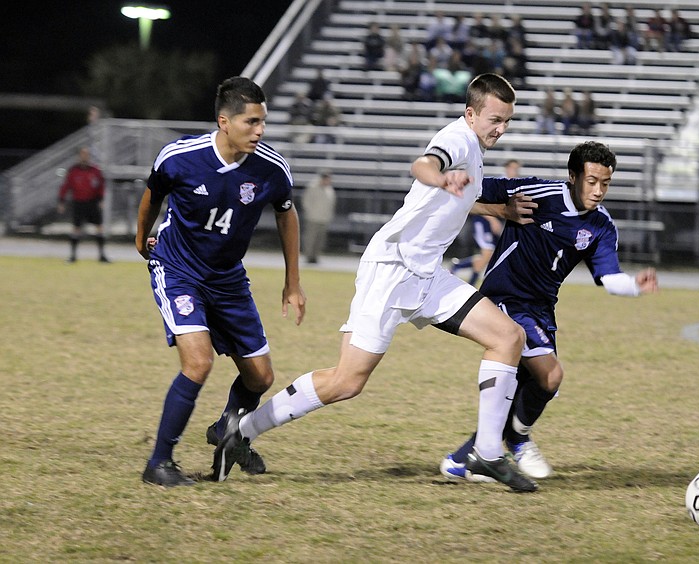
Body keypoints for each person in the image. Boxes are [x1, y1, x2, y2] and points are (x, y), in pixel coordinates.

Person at [211, 73, 538, 493]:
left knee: (508, 337)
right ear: (471, 113)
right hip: (392, 268)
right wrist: (438, 176)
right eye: (495, 119)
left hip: (427, 273)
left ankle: (487, 453)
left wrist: (498, 210)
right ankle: (241, 430)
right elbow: (424, 165)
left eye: (507, 121)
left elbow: (454, 199)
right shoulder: (457, 140)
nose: (502, 128)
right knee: (347, 381)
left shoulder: (474, 146)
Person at [440, 141, 659, 482]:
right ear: (573, 177)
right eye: (591, 181)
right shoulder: (536, 192)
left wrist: (634, 285)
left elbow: (609, 277)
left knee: (538, 384)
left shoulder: (601, 226)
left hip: (541, 308)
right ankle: (517, 439)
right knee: (550, 375)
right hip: (505, 298)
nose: (599, 190)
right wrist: (485, 201)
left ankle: (463, 458)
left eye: (605, 183)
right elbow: (474, 188)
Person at [135, 76, 306, 487]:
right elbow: (152, 194)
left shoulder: (271, 168)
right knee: (198, 363)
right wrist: (141, 239)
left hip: (228, 279)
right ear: (224, 121)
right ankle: (159, 463)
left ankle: (227, 430)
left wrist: (293, 282)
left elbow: (286, 214)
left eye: (263, 122)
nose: (260, 131)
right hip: (178, 270)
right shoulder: (180, 157)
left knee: (260, 377)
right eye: (251, 122)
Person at [451, 159, 519, 285]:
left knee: (487, 255)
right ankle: (469, 282)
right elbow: (483, 204)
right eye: (513, 168)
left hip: (489, 222)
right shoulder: (501, 183)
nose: (515, 172)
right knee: (488, 253)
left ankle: (460, 267)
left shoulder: (512, 185)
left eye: (516, 169)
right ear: (507, 168)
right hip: (482, 221)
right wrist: (493, 220)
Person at [57, 146, 109, 263]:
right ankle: (73, 256)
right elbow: (65, 186)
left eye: (86, 154)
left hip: (92, 202)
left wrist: (100, 200)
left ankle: (102, 255)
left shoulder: (95, 170)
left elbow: (100, 186)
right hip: (78, 203)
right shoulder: (73, 170)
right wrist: (61, 201)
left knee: (99, 228)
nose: (84, 157)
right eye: (82, 154)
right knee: (76, 228)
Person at [301, 170, 336, 264]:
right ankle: (309, 256)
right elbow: (306, 201)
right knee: (310, 238)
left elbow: (331, 204)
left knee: (320, 240)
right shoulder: (313, 187)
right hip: (313, 217)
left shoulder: (329, 189)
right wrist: (310, 212)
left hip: (324, 218)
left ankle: (315, 256)